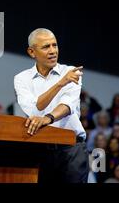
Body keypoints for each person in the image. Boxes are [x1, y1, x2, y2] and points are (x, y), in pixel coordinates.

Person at [14, 28, 88, 183]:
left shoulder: (70, 71)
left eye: (55, 45)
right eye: (46, 47)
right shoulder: (21, 79)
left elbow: (68, 105)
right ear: (32, 52)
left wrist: (48, 118)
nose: (53, 51)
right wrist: (60, 83)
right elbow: (35, 109)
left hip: (71, 148)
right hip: (41, 149)